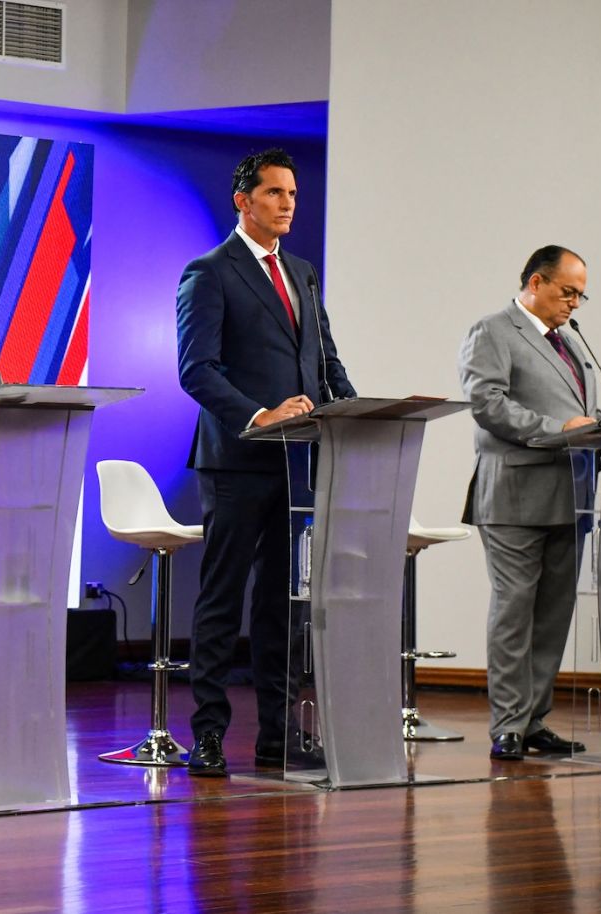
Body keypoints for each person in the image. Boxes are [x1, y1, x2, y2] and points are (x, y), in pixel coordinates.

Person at [174, 148, 355, 777]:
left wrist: (357, 414)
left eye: (293, 194)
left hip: (296, 465)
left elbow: (324, 361)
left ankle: (279, 736)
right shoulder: (209, 271)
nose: (287, 204)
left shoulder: (302, 272)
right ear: (243, 200)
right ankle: (208, 735)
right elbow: (196, 370)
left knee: (282, 603)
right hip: (236, 459)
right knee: (222, 598)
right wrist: (260, 415)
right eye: (275, 192)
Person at [458, 245, 598, 761]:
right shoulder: (493, 331)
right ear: (536, 282)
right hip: (514, 496)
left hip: (571, 497)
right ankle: (509, 725)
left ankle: (535, 720)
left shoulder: (570, 344)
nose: (574, 303)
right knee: (514, 613)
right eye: (568, 292)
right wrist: (559, 430)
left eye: (581, 295)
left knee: (553, 615)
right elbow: (487, 404)